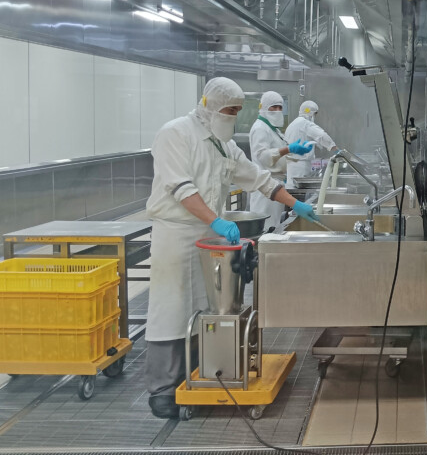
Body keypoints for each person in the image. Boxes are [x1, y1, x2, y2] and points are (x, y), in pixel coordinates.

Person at [144, 77, 319, 419]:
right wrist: (218, 222)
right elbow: (181, 188)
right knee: (171, 309)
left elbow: (259, 178)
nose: (233, 116)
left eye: (238, 111)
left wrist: (295, 204)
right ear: (208, 104)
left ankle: (194, 375)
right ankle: (162, 390)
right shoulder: (176, 134)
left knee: (206, 309)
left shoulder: (224, 145)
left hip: (208, 234)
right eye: (229, 110)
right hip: (176, 234)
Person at [249, 91, 313, 231]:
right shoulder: (260, 128)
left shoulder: (273, 129)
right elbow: (264, 157)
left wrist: (294, 153)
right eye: (273, 107)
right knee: (266, 228)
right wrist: (288, 149)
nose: (278, 111)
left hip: (276, 185)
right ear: (264, 107)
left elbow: (277, 156)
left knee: (274, 226)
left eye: (280, 107)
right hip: (265, 187)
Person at [285, 100, 338, 181]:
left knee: (292, 188)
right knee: (299, 191)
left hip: (291, 166)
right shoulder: (305, 123)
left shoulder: (292, 124)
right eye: (315, 113)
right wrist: (334, 148)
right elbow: (321, 135)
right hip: (301, 165)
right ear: (311, 113)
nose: (315, 116)